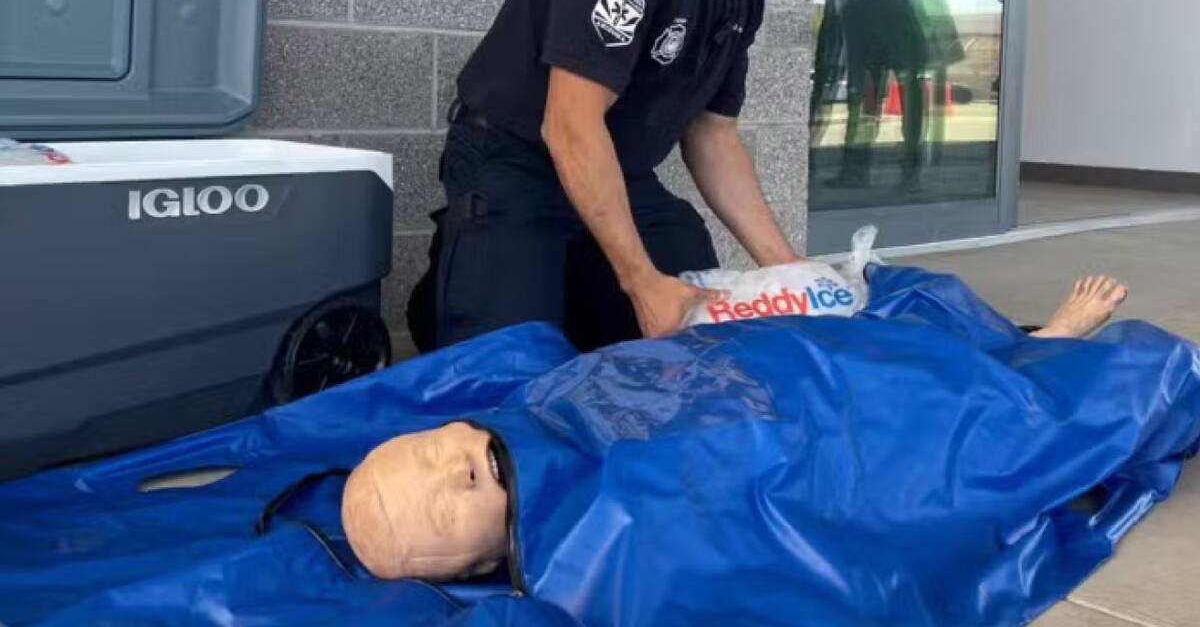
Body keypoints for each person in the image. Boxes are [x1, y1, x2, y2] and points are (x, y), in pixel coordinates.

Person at [407, 0, 866, 353]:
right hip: (517, 160)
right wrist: (640, 282)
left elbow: (712, 134)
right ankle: (464, 291)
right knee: (510, 363)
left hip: (617, 169)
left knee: (690, 286)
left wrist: (790, 270)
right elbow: (570, 124)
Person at [353, 274, 1132, 581]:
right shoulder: (599, 560)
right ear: (469, 570)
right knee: (916, 438)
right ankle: (1036, 362)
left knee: (871, 356)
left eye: (426, 453)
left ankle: (1005, 360)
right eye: (442, 508)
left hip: (763, 375)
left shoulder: (544, 397)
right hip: (799, 443)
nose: (450, 470)